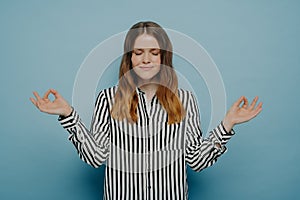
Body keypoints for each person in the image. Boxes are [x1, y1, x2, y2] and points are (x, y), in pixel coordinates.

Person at [30, 21, 262, 200]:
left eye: (154, 52)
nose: (146, 59)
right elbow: (96, 157)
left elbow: (196, 160)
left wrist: (227, 124)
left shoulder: (185, 100)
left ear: (163, 56)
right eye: (138, 52)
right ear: (129, 58)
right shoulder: (108, 99)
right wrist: (68, 115)